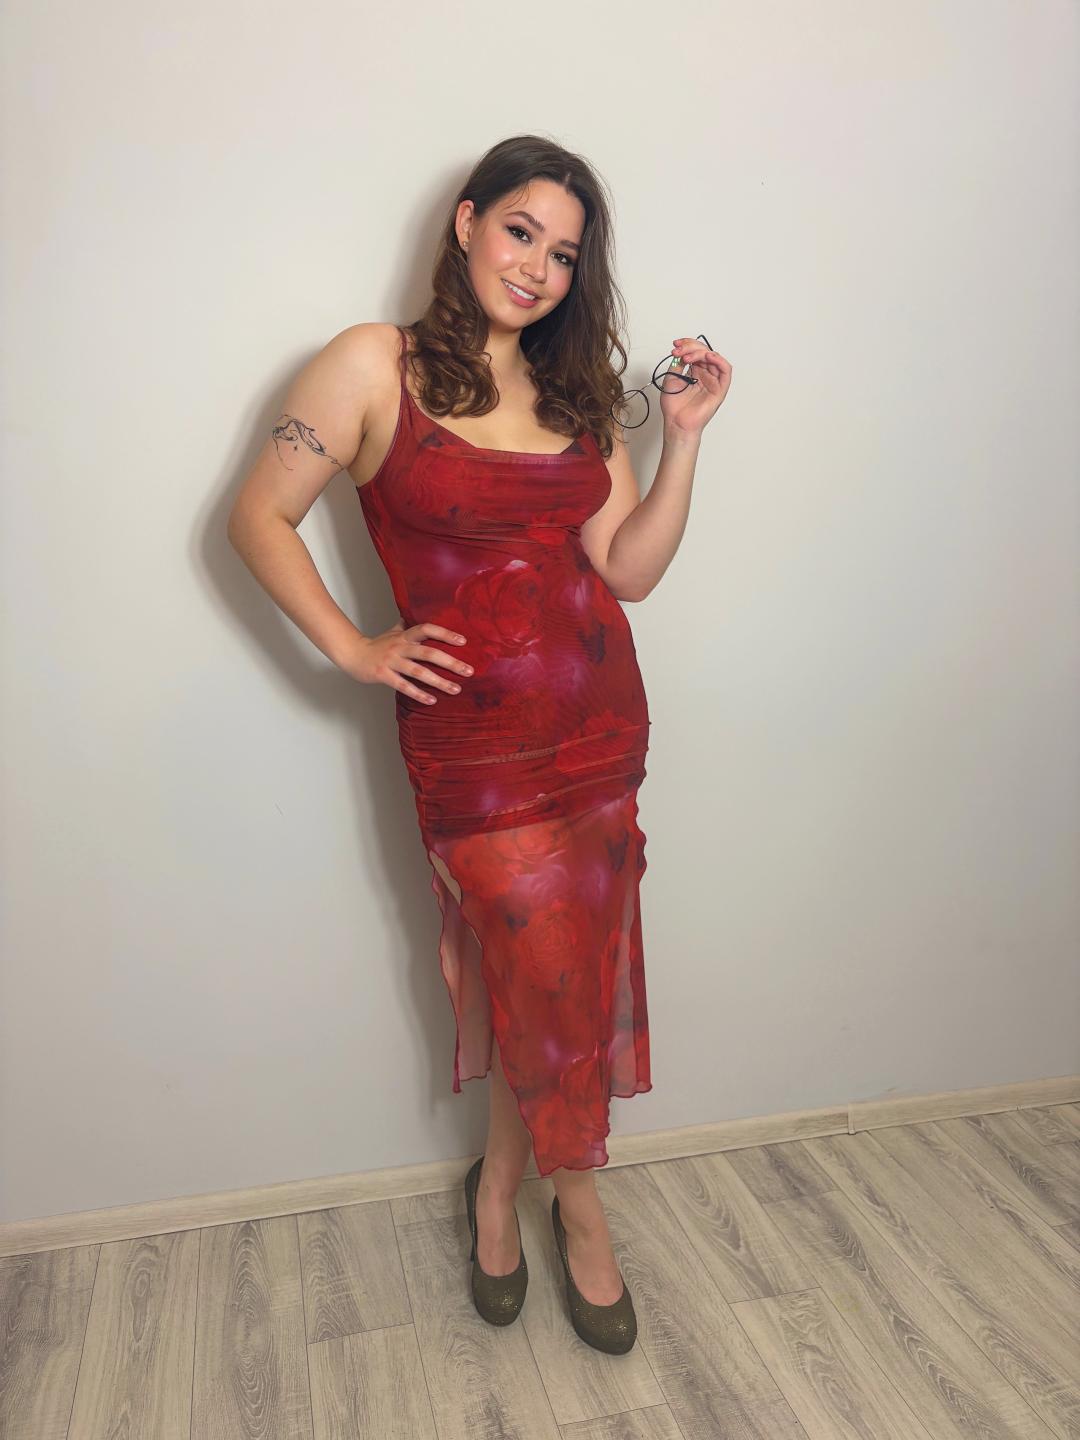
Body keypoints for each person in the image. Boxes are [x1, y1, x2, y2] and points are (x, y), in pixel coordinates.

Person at [227, 134, 732, 1352]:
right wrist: (356, 650)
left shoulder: (575, 392)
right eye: (520, 231)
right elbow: (256, 515)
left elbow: (628, 570)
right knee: (540, 977)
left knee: (554, 984)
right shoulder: (372, 365)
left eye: (563, 255)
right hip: (473, 756)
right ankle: (582, 1208)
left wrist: (683, 439)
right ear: (465, 222)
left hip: (598, 733)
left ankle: (501, 1188)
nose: (537, 268)